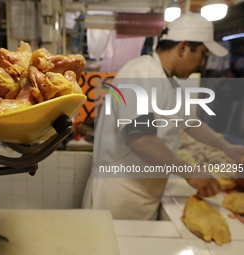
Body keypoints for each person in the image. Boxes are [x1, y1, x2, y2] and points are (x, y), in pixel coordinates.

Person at [82, 13, 244, 220]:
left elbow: (191, 123)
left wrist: (228, 148)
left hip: (143, 193)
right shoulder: (141, 74)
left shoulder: (167, 82)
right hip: (119, 193)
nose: (202, 62)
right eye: (202, 54)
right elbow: (142, 140)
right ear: (183, 47)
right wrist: (191, 173)